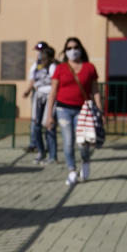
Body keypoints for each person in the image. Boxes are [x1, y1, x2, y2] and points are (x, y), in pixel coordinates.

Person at [45, 37, 102, 186]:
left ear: (81, 49)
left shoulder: (90, 67)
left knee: (83, 143)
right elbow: (53, 92)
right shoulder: (61, 68)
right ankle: (71, 170)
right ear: (65, 51)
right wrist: (49, 116)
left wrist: (100, 109)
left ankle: (85, 162)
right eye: (69, 48)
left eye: (75, 47)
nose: (72, 51)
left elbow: (95, 90)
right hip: (63, 109)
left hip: (83, 110)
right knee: (68, 141)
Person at [22, 42, 57, 165]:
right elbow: (32, 80)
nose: (41, 58)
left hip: (49, 96)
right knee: (36, 125)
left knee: (49, 125)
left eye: (43, 56)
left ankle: (52, 155)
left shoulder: (52, 67)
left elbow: (55, 83)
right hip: (38, 96)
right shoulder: (36, 66)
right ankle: (41, 152)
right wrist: (27, 91)